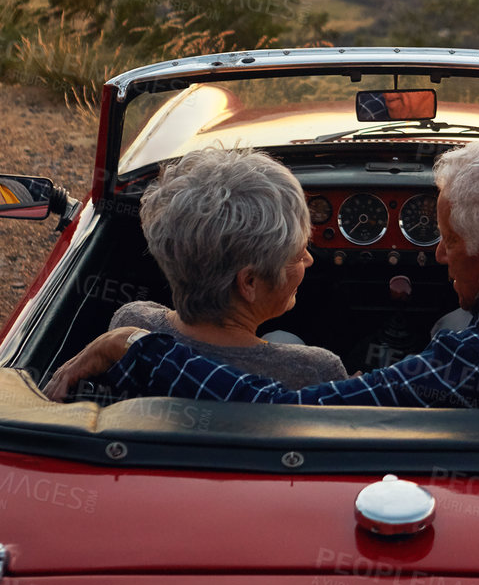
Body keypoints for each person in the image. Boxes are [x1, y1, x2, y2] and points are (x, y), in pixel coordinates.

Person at [49, 137, 479, 409]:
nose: (433, 254)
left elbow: (281, 409)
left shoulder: (461, 370)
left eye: (449, 240)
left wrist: (135, 343)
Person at [46, 148, 345, 400]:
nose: (308, 260)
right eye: (297, 252)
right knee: (284, 338)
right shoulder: (313, 371)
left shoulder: (134, 322)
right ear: (249, 282)